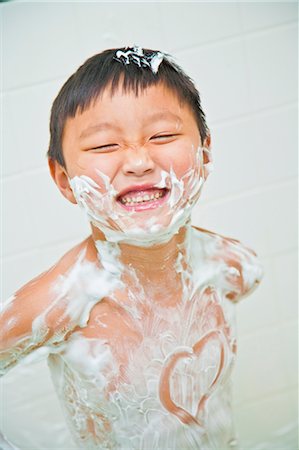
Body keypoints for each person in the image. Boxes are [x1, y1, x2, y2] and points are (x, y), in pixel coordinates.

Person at [0, 46, 263, 450]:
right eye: (105, 146)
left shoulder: (231, 266)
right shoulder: (61, 304)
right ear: (64, 179)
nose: (139, 161)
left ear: (205, 151)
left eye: (163, 136)